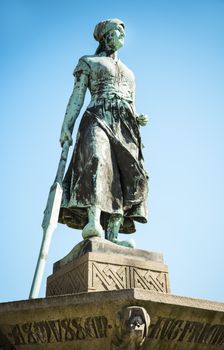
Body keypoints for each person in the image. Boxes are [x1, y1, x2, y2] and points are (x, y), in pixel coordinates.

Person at [58, 18, 148, 247]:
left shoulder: (130, 73)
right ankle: (93, 221)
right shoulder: (88, 62)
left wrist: (139, 119)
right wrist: (67, 126)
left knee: (126, 175)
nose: (121, 36)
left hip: (126, 126)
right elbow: (77, 96)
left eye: (123, 33)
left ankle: (113, 233)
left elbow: (132, 103)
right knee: (97, 161)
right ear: (105, 36)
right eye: (116, 32)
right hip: (96, 116)